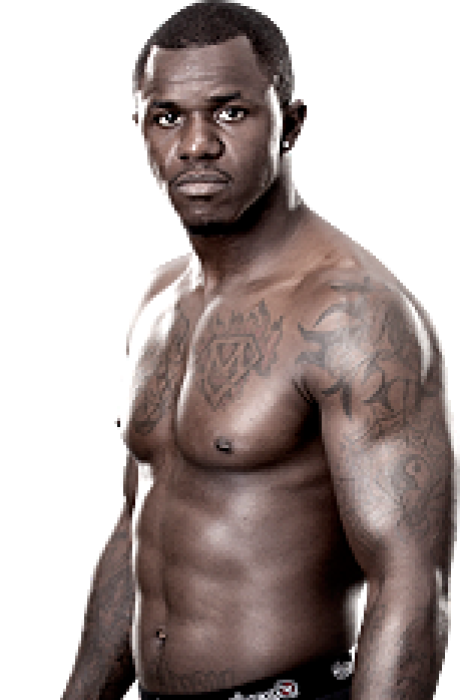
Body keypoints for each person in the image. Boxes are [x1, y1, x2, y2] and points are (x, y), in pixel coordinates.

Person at [63, 2, 455, 698]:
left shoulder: (352, 313)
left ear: (291, 124)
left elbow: (409, 583)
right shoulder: (159, 299)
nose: (196, 145)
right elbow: (137, 524)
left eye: (230, 112)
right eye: (167, 117)